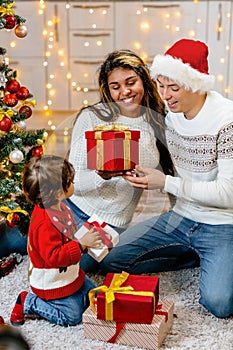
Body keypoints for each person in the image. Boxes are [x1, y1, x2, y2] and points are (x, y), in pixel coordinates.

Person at [100, 39, 233, 319]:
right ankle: (198, 255)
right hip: (182, 217)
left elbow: (228, 193)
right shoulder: (171, 115)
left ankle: (218, 257)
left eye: (174, 87)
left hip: (222, 223)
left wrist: (166, 183)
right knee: (110, 259)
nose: (166, 95)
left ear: (197, 84)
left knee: (220, 304)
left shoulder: (226, 121)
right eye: (161, 85)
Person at [67, 49, 174, 271]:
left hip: (111, 224)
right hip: (73, 208)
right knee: (34, 245)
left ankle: (192, 255)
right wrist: (100, 177)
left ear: (143, 81)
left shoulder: (158, 125)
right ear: (108, 90)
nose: (124, 91)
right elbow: (72, 184)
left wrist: (178, 216)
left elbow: (170, 174)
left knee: (78, 266)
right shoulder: (91, 117)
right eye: (115, 87)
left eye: (131, 82)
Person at [10, 155, 102, 327]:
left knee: (95, 295)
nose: (73, 184)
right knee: (73, 316)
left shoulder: (60, 205)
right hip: (52, 281)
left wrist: (85, 238)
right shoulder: (45, 224)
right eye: (70, 182)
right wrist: (81, 244)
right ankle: (29, 301)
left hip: (70, 274)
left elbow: (68, 233)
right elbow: (53, 257)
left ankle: (74, 290)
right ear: (59, 192)